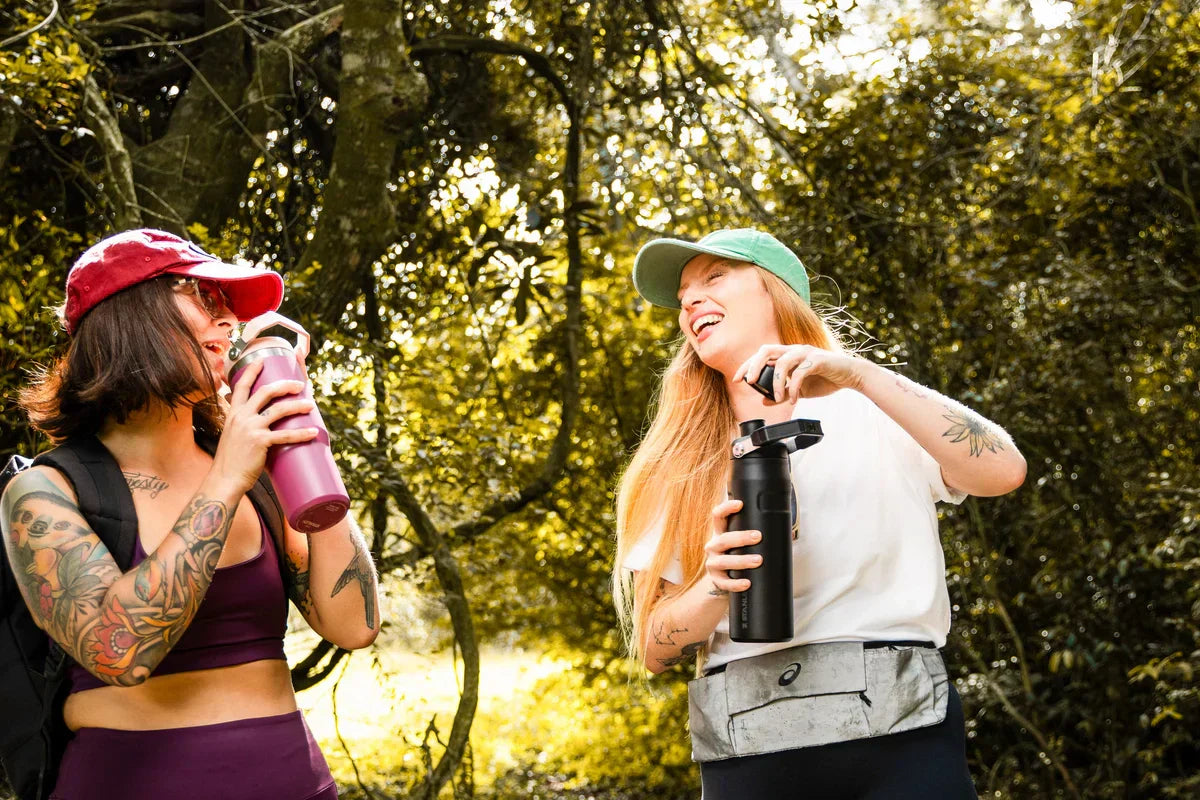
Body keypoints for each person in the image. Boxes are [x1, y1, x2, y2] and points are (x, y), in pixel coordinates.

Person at [613, 229, 1027, 799]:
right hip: (749, 746)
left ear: (777, 294)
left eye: (714, 278)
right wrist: (714, 585)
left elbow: (1003, 470)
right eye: (683, 294)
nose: (688, 301)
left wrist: (859, 374)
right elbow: (656, 648)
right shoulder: (677, 462)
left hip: (901, 734)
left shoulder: (878, 410)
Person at [1, 229, 381, 800]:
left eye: (228, 308)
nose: (229, 322)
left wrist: (306, 451)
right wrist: (226, 478)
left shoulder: (262, 477)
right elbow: (119, 651)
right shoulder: (44, 490)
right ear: (131, 317)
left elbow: (355, 625)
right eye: (204, 299)